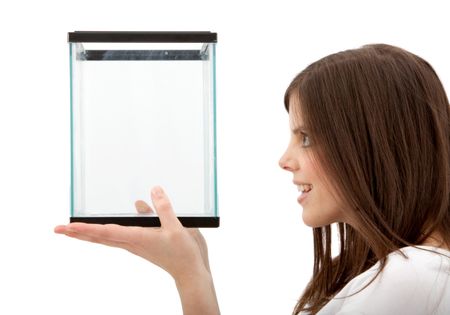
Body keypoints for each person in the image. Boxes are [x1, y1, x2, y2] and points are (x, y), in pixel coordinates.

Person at [55, 44, 450, 315]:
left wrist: (190, 277)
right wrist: (197, 272)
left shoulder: (412, 275)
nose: (285, 160)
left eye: (306, 138)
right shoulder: (416, 273)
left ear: (367, 143)